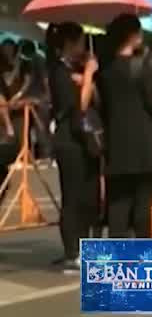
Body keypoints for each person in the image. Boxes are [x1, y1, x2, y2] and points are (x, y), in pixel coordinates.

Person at [98, 14, 152, 238]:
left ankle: (117, 256)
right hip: (142, 147)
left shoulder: (104, 69)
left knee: (118, 208)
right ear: (132, 36)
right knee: (142, 208)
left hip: (116, 146)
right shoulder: (141, 67)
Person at [49, 24, 98, 270]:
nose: (82, 48)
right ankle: (71, 250)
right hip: (68, 140)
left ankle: (84, 244)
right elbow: (79, 106)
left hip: (84, 139)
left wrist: (86, 78)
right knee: (72, 196)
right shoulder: (59, 71)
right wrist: (88, 75)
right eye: (79, 42)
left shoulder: (73, 70)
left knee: (88, 195)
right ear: (69, 43)